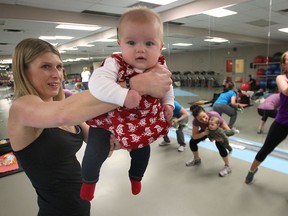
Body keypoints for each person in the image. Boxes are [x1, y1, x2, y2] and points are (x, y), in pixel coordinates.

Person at [7, 38, 172, 216]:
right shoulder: (21, 108)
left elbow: (104, 147)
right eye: (46, 66)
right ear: (23, 71)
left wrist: (127, 136)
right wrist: (135, 85)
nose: (57, 74)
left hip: (80, 205)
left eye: (59, 67)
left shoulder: (66, 106)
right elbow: (62, 115)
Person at [80, 6, 174, 201]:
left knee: (142, 150)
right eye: (131, 42)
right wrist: (123, 96)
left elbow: (167, 86)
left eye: (149, 43)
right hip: (108, 118)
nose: (140, 49)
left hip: (141, 120)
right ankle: (89, 181)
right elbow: (96, 85)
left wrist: (169, 104)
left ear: (160, 47)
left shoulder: (160, 67)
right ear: (120, 44)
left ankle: (136, 177)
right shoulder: (114, 63)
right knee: (95, 151)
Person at [245, 51, 288, 184]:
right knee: (266, 149)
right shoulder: (281, 78)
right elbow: (286, 91)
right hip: (282, 122)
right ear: (283, 64)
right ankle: (252, 170)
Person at [186, 104, 232, 177]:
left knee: (219, 145)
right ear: (196, 119)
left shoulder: (214, 115)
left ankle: (228, 166)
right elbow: (194, 136)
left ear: (206, 112)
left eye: (204, 116)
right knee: (192, 142)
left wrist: (220, 138)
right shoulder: (195, 122)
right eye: (200, 119)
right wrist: (204, 133)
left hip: (218, 133)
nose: (204, 120)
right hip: (206, 132)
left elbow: (227, 130)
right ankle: (197, 159)